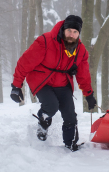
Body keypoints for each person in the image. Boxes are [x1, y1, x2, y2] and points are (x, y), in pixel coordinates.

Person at [10, 15, 97, 151]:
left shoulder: (80, 51)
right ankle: (43, 121)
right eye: (69, 31)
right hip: (41, 81)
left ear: (79, 34)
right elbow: (24, 63)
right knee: (51, 105)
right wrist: (16, 86)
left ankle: (71, 144)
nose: (71, 35)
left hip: (62, 83)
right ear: (63, 29)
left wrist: (89, 94)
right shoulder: (45, 42)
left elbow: (83, 75)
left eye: (75, 32)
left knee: (70, 115)